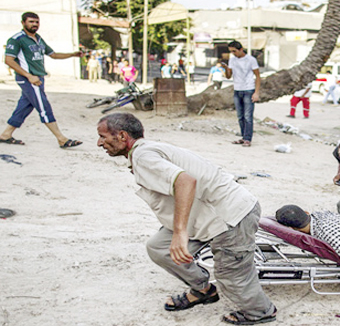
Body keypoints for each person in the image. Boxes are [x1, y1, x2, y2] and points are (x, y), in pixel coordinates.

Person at [96, 113, 277, 324]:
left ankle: (260, 312)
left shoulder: (143, 156)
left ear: (122, 136)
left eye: (102, 136)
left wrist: (180, 233)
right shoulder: (146, 150)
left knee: (232, 276)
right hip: (205, 217)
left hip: (230, 218)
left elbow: (185, 181)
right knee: (159, 248)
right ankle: (203, 290)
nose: (99, 143)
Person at [0, 12, 83, 148]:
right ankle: (61, 139)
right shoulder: (17, 39)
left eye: (36, 22)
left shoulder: (38, 38)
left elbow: (54, 54)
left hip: (38, 78)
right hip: (28, 79)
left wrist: (73, 54)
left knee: (24, 107)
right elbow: (8, 60)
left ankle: (6, 134)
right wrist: (29, 76)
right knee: (44, 107)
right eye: (31, 22)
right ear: (23, 23)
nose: (34, 24)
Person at [222, 40, 261, 148]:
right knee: (240, 116)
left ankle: (248, 138)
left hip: (249, 89)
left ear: (241, 49)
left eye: (234, 51)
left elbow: (257, 76)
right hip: (237, 89)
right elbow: (228, 76)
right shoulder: (232, 60)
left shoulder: (251, 60)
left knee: (248, 116)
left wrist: (256, 92)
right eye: (231, 51)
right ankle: (243, 137)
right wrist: (226, 68)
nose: (233, 53)